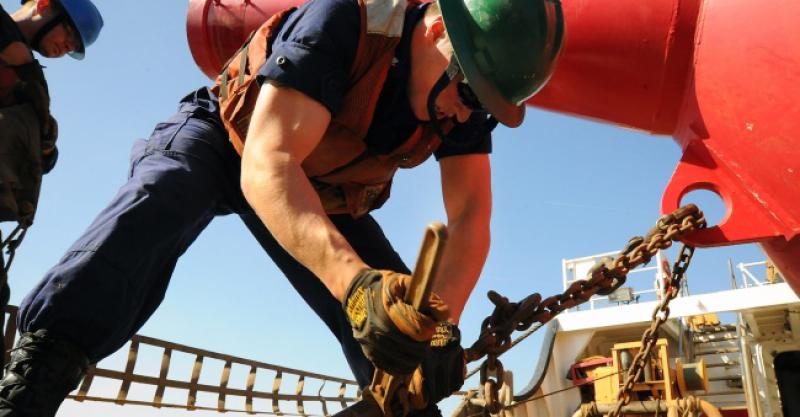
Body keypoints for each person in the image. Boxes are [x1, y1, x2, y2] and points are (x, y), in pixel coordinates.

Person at [0, 0, 562, 415]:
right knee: (162, 196)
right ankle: (40, 370)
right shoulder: (344, 23)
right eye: (470, 93)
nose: (466, 114)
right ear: (437, 30)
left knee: (400, 327)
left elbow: (469, 220)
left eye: (485, 106)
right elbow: (269, 165)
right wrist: (356, 286)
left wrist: (438, 326)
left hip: (323, 186)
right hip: (228, 139)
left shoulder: (461, 107)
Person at [0, 0, 102, 378]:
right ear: (44, 4)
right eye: (70, 34)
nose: (67, 47)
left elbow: (36, 155)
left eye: (74, 46)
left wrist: (45, 145)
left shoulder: (30, 81)